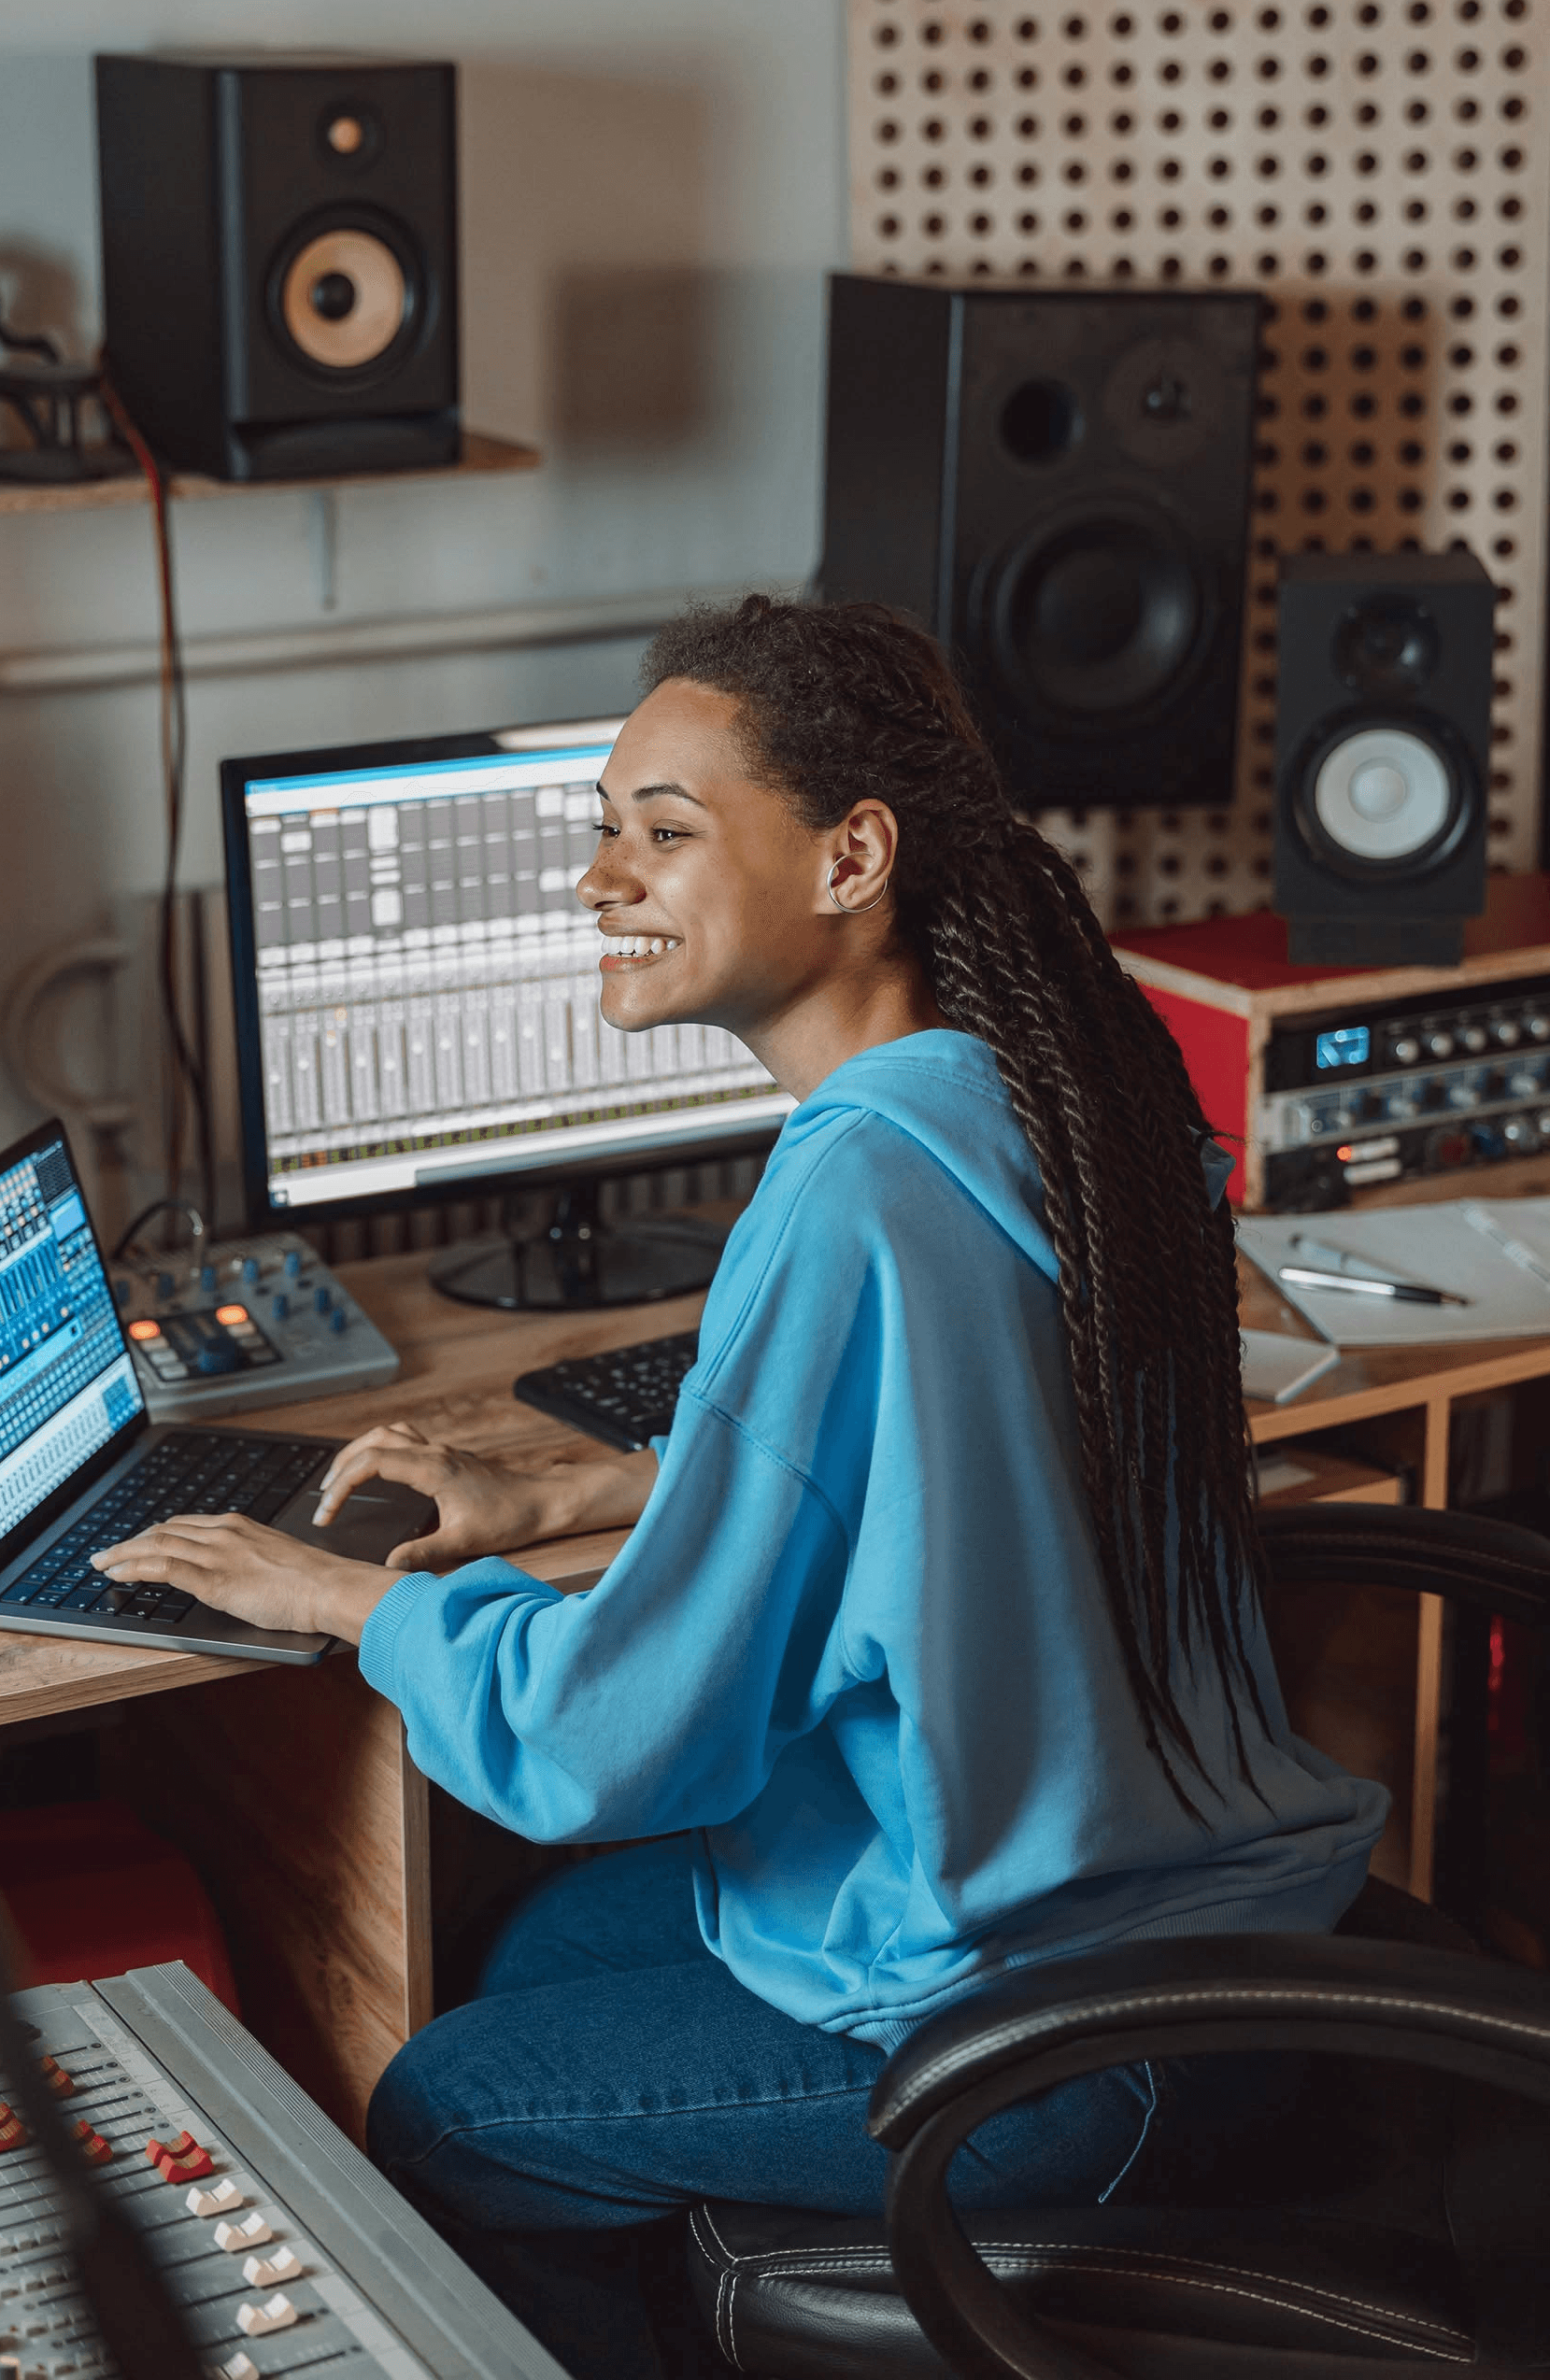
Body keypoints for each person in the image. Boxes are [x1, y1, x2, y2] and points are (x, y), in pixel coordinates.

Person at [93, 596, 1388, 2379]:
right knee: (535, 1943)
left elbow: (619, 1749)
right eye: (602, 829)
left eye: (664, 831)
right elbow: (949, 1459)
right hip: (1207, 1921)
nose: (599, 882)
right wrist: (580, 1499)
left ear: (853, 854)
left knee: (452, 2106)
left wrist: (355, 1601)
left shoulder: (852, 1194)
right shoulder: (1041, 1091)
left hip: (1057, 2033)